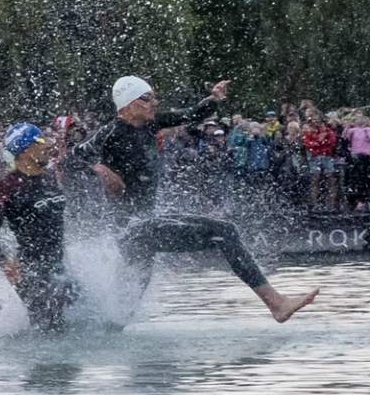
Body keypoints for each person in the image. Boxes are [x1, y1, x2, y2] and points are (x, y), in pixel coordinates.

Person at [81, 73, 312, 323]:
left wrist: (213, 99)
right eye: (148, 98)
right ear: (128, 104)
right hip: (130, 230)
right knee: (224, 231)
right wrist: (100, 170)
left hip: (144, 225)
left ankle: (87, 329)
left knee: (120, 317)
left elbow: (190, 114)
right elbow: (74, 158)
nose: (155, 103)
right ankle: (276, 304)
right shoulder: (111, 133)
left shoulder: (149, 124)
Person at [0, 123, 72, 328]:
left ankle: (5, 311)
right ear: (25, 151)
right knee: (50, 328)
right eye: (40, 141)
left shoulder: (49, 178)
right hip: (31, 269)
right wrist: (5, 264)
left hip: (59, 264)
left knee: (80, 318)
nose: (47, 145)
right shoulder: (6, 187)